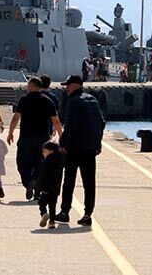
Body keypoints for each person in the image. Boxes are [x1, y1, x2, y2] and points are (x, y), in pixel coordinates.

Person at [55, 75, 105, 227]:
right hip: (90, 148)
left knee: (69, 181)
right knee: (89, 182)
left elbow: (70, 125)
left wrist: (62, 143)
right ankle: (88, 214)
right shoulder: (93, 100)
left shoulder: (73, 101)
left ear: (75, 85)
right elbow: (101, 123)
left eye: (68, 85)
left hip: (74, 147)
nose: (66, 88)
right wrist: (97, 143)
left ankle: (64, 212)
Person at [7, 77, 63, 200]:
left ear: (32, 86)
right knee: (40, 164)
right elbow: (56, 121)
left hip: (26, 137)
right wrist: (61, 137)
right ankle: (38, 190)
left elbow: (16, 118)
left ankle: (29, 181)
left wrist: (10, 132)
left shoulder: (24, 99)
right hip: (43, 138)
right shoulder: (47, 100)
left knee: (22, 163)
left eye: (28, 85)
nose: (27, 88)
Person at [36, 141, 64, 229]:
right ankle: (52, 222)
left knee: (42, 203)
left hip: (45, 187)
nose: (43, 153)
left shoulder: (46, 162)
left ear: (51, 151)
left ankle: (44, 213)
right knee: (52, 205)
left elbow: (42, 174)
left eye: (44, 151)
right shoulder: (60, 161)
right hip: (55, 188)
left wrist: (38, 186)